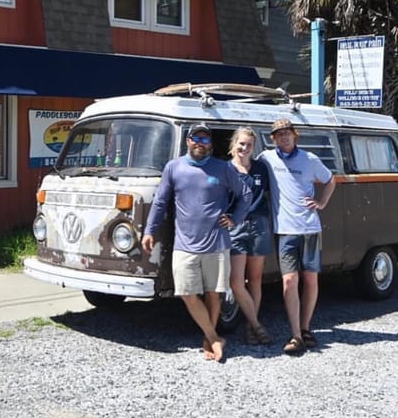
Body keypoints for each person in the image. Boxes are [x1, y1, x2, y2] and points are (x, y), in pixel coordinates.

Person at [141, 122, 252, 362]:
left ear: (210, 144)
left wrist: (234, 217)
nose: (200, 144)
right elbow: (160, 202)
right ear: (188, 141)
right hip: (185, 245)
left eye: (205, 140)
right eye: (196, 139)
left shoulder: (222, 168)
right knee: (187, 293)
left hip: (217, 243)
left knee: (214, 294)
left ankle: (207, 340)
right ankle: (214, 337)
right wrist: (149, 230)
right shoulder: (174, 167)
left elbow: (245, 195)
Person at [258, 117, 336, 356]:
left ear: (295, 135)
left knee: (311, 280)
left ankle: (306, 328)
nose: (284, 137)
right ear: (274, 139)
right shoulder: (267, 159)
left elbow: (330, 180)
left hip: (310, 227)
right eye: (279, 134)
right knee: (289, 281)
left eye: (287, 133)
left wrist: (321, 202)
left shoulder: (310, 159)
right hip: (284, 229)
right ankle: (295, 335)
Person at [226, 126, 273, 346]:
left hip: (259, 224)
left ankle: (249, 329)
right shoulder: (226, 170)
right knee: (236, 281)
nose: (244, 148)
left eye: (249, 145)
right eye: (241, 143)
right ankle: (256, 325)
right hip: (236, 227)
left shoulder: (261, 169)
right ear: (234, 145)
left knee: (254, 279)